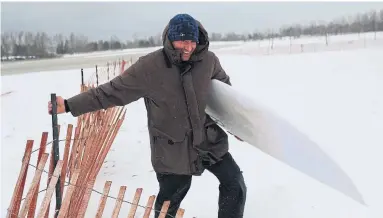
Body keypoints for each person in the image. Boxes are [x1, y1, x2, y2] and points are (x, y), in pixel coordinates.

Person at [48, 14, 246, 218]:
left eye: (192, 41)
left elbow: (226, 98)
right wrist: (70, 105)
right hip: (172, 148)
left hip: (207, 141)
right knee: (170, 201)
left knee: (235, 183)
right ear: (170, 39)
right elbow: (111, 91)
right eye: (182, 40)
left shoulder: (209, 61)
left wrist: (237, 126)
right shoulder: (150, 67)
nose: (188, 47)